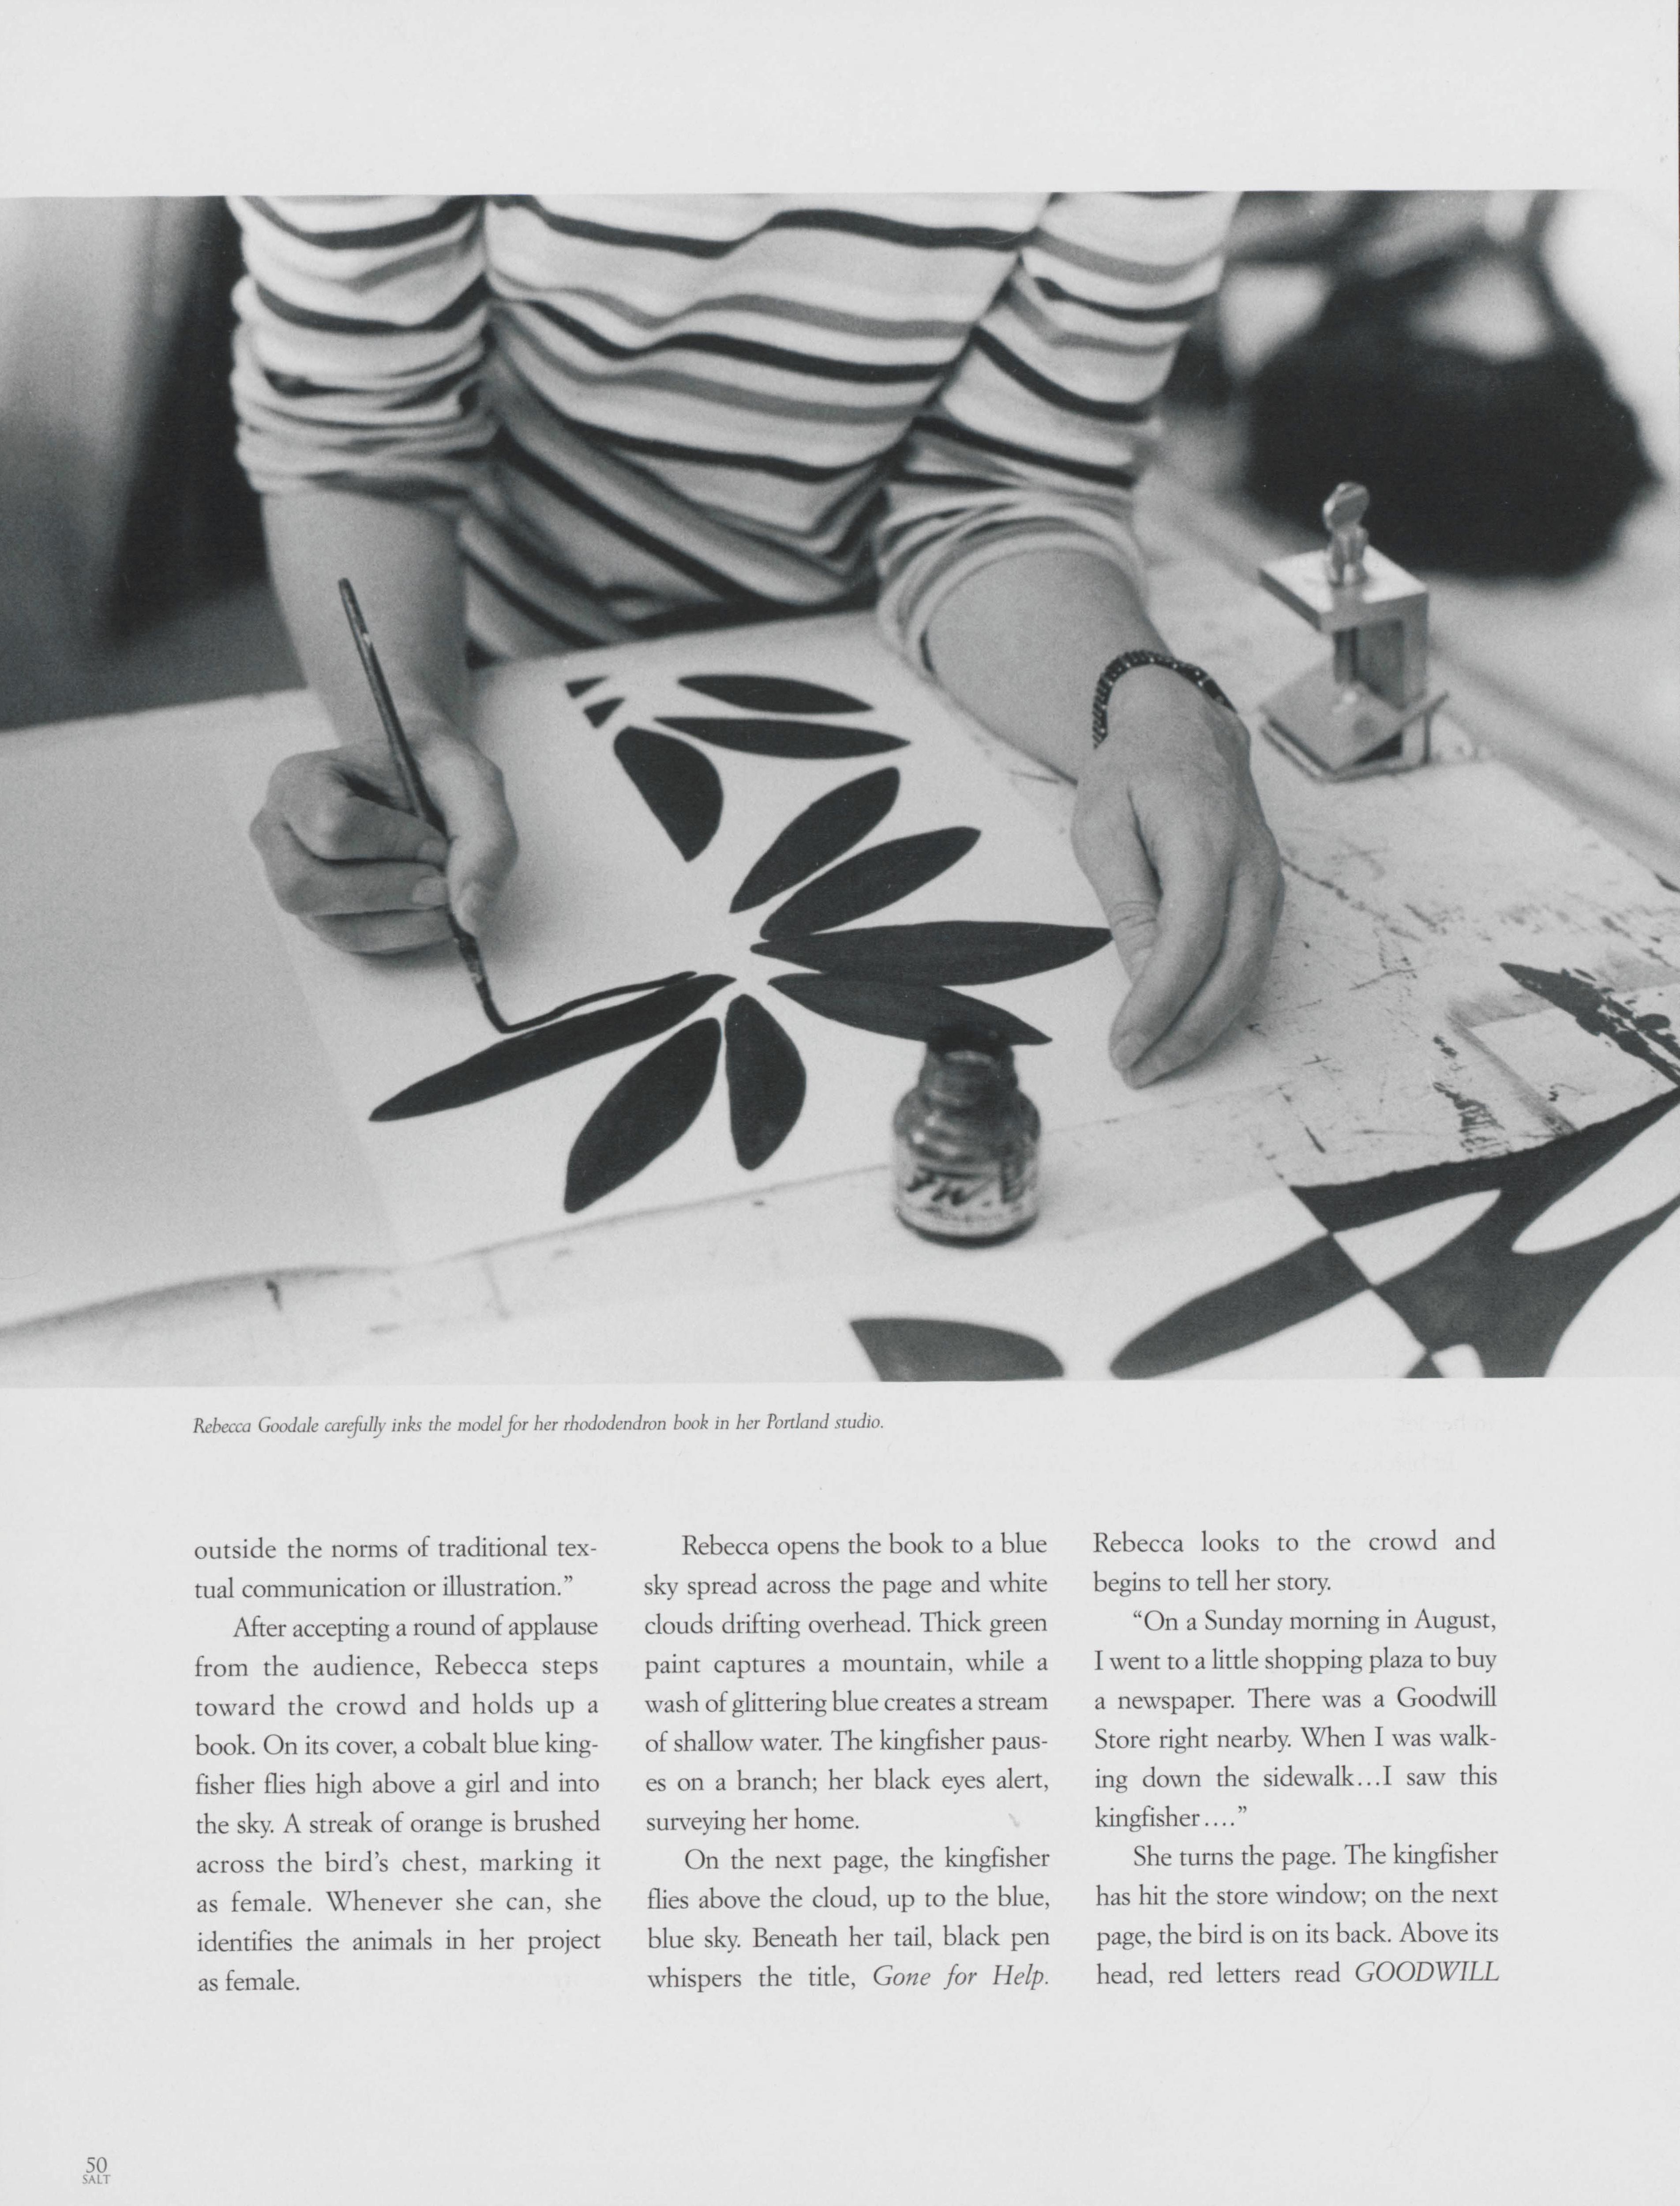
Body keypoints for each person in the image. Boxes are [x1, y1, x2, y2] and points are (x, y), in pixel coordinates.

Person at [231, 194, 1282, 1088]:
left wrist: (1141, 706)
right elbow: (361, 443)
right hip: (494, 663)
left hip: (899, 677)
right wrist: (405, 722)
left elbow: (1003, 491)